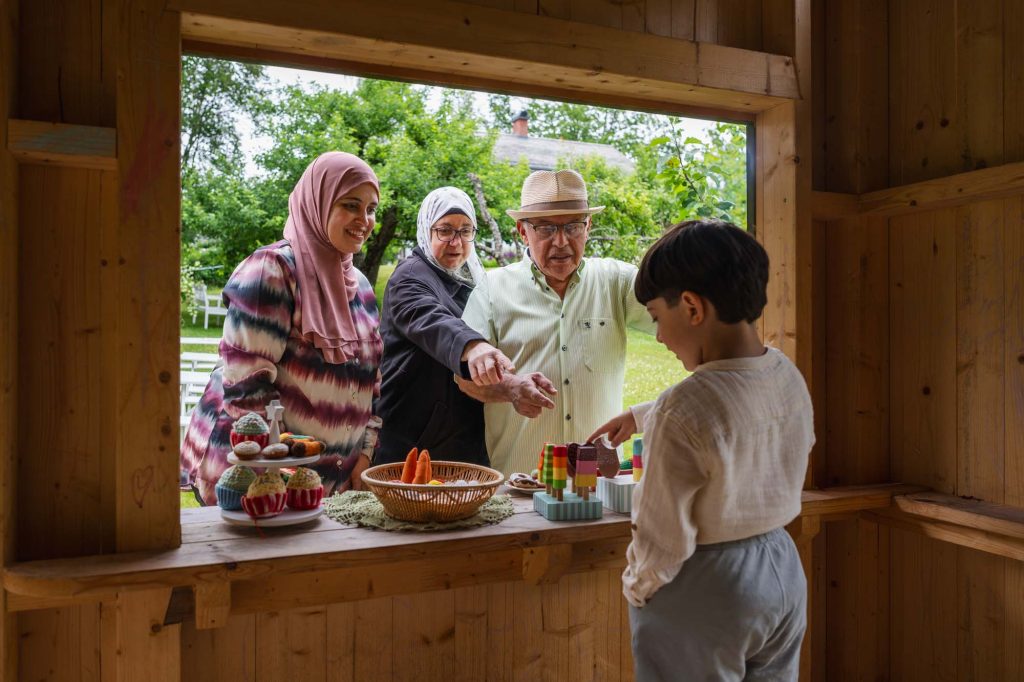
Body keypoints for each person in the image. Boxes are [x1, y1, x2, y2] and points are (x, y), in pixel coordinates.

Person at [589, 220, 813, 681]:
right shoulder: (786, 373)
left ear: (690, 306)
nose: (659, 337)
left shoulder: (681, 409)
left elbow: (662, 533)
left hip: (704, 586)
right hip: (782, 570)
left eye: (655, 317)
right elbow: (737, 406)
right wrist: (645, 412)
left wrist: (639, 588)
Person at [181, 152, 385, 505]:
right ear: (317, 202)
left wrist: (363, 455)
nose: (364, 220)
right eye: (351, 205)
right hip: (258, 484)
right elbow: (245, 390)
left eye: (371, 209)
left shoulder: (362, 287)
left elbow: (373, 383)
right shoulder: (272, 270)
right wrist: (282, 478)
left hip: (327, 484)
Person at [458, 169, 655, 475]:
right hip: (520, 485)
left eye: (573, 227)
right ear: (523, 232)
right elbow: (464, 378)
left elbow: (679, 321)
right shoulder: (491, 289)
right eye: (546, 229)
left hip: (599, 484)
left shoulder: (617, 282)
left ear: (588, 227)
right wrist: (510, 388)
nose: (562, 241)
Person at [376, 187, 519, 465]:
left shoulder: (471, 280)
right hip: (413, 444)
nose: (456, 242)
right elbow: (432, 320)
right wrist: (473, 346)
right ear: (426, 230)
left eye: (465, 231)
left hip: (460, 439)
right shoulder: (409, 278)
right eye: (445, 230)